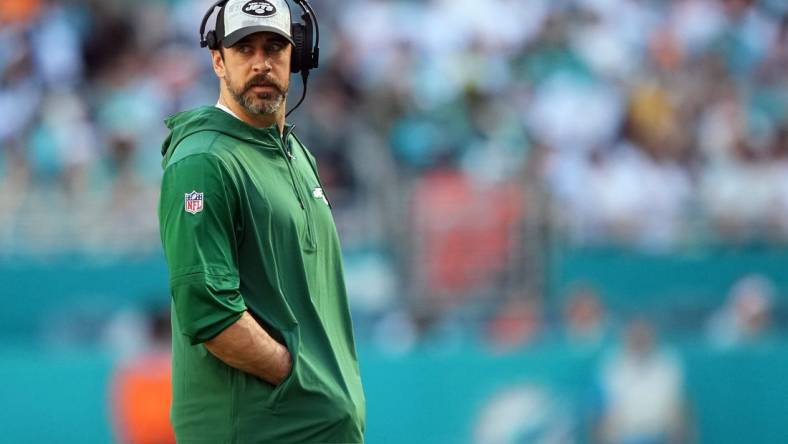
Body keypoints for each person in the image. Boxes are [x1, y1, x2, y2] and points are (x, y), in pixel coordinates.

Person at [157, 0, 366, 442]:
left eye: (274, 47)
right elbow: (209, 311)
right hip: (259, 430)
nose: (261, 62)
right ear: (217, 59)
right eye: (244, 48)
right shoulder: (204, 161)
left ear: (298, 57)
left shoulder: (292, 151)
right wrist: (302, 382)